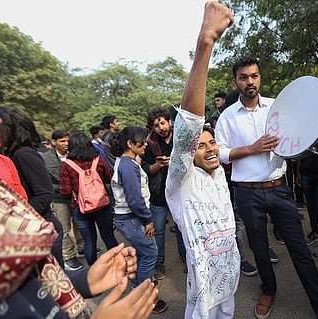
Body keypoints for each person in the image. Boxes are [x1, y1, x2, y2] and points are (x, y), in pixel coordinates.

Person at [0, 82, 158, 319]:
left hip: (85, 209)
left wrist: (84, 281)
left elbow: (30, 287)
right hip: (103, 211)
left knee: (93, 241)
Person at [215, 55, 318, 319]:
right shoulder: (227, 117)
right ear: (235, 81)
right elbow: (220, 154)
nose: (250, 82)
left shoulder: (277, 107)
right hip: (246, 192)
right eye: (243, 77)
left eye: (254, 76)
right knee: (259, 248)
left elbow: (304, 135)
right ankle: (268, 290)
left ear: (260, 77)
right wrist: (251, 148)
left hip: (279, 189)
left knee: (299, 250)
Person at [165, 2, 240, 318]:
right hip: (203, 291)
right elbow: (190, 127)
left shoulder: (218, 173)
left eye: (213, 143)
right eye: (201, 146)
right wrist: (206, 41)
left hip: (230, 280)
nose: (209, 149)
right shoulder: (181, 178)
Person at [0, 106, 64, 267]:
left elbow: (44, 193)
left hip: (43, 231)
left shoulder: (23, 154)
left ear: (9, 129)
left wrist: (16, 219)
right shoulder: (9, 155)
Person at [110, 126, 168, 314]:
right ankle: (144, 295)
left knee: (143, 253)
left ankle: (139, 286)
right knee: (150, 252)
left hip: (130, 217)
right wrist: (148, 219)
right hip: (132, 218)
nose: (145, 145)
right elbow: (135, 200)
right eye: (141, 142)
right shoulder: (127, 166)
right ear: (129, 144)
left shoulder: (129, 162)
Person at [59, 132, 118, 266]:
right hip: (103, 205)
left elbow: (65, 191)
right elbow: (109, 178)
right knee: (109, 236)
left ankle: (94, 269)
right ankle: (117, 263)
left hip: (81, 208)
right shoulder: (97, 159)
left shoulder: (67, 164)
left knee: (89, 241)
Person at [42, 130, 85, 271]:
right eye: (62, 141)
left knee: (78, 224)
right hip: (59, 198)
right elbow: (46, 180)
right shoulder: (46, 158)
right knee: (65, 228)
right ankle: (69, 256)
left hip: (76, 196)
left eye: (67, 140)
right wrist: (64, 187)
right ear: (53, 142)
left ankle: (82, 247)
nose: (66, 144)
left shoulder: (73, 154)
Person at [141, 106, 174, 280]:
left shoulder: (179, 137)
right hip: (158, 192)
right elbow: (145, 168)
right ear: (152, 128)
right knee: (158, 229)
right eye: (156, 125)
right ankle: (159, 262)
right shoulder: (149, 143)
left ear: (169, 121)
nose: (161, 127)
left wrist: (174, 162)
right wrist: (157, 166)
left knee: (184, 228)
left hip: (180, 190)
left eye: (162, 123)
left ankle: (187, 256)